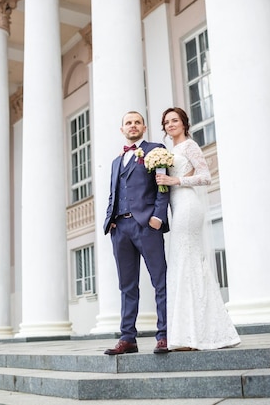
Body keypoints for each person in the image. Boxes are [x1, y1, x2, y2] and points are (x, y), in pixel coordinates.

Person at [155, 107, 240, 351]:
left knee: (187, 262)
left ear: (184, 123)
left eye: (175, 120)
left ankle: (196, 334)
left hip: (188, 206)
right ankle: (187, 333)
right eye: (167, 122)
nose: (170, 124)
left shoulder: (190, 146)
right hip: (176, 206)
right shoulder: (169, 151)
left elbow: (206, 176)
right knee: (183, 263)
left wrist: (176, 180)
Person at [103, 111, 171, 355]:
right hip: (119, 228)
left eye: (137, 122)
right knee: (127, 285)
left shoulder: (156, 150)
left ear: (144, 126)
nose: (133, 126)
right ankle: (128, 337)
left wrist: (157, 217)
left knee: (159, 280)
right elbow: (114, 192)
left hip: (145, 225)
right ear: (122, 129)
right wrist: (110, 220)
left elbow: (163, 187)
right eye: (128, 123)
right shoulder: (115, 161)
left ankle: (163, 334)